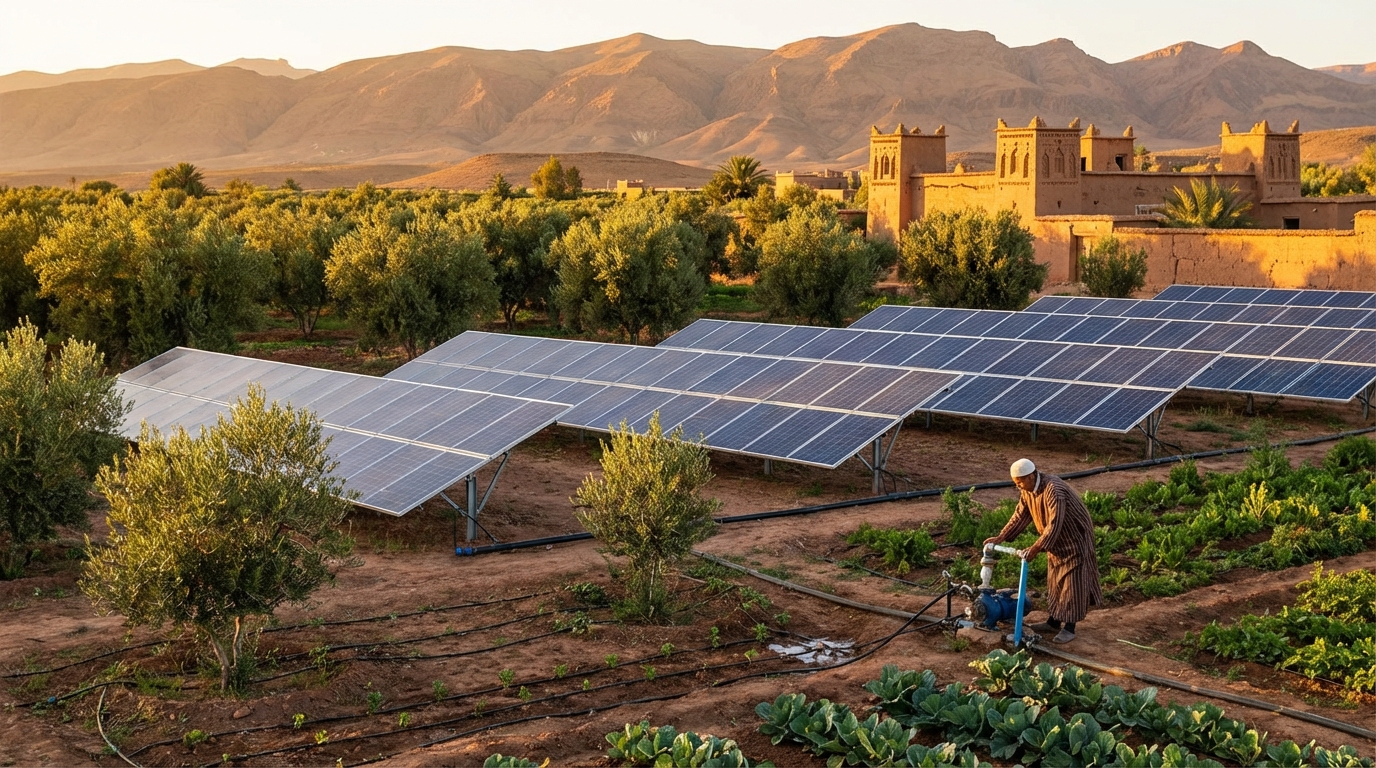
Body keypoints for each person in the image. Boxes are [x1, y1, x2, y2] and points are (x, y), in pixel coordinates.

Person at [983, 458, 1102, 644]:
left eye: (1020, 482)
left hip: (1075, 539)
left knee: (1072, 585)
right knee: (1055, 583)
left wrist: (1036, 547)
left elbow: (1055, 524)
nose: (1019, 486)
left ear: (1031, 476)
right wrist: (1001, 537)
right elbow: (1020, 515)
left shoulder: (1054, 490)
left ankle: (1069, 628)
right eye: (1016, 484)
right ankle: (1053, 622)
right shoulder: (1028, 490)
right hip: (1056, 543)